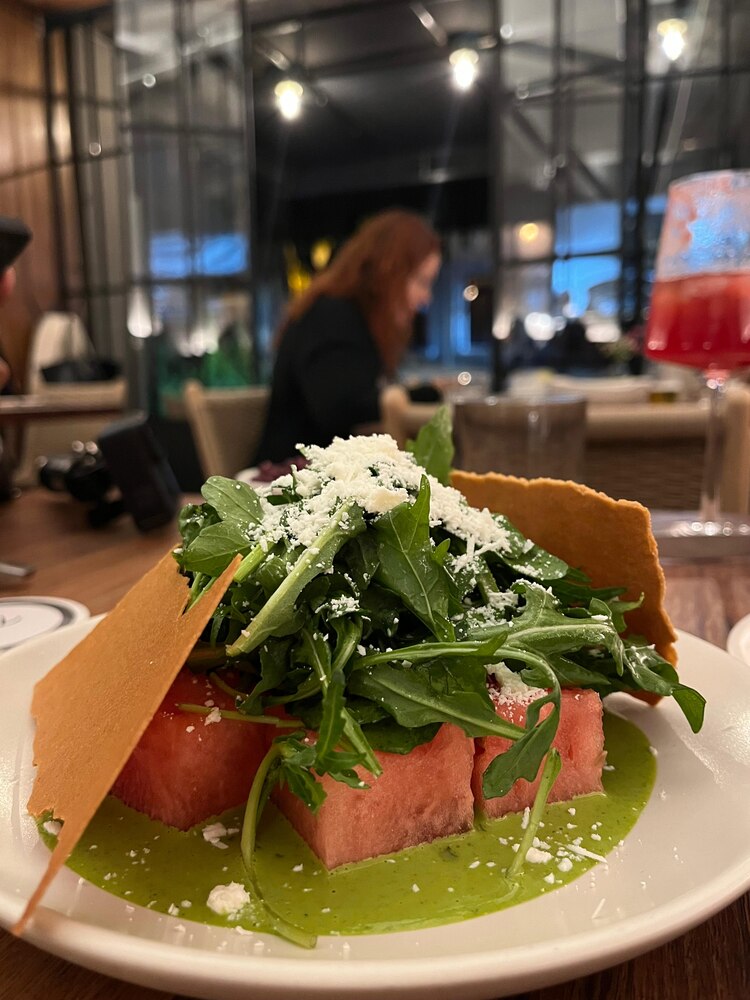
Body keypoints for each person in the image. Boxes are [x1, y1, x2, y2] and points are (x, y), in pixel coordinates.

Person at [254, 209, 441, 464]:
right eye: (421, 281)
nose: (426, 298)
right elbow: (341, 409)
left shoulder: (345, 315)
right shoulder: (333, 315)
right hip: (288, 480)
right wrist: (422, 393)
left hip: (322, 476)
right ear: (388, 271)